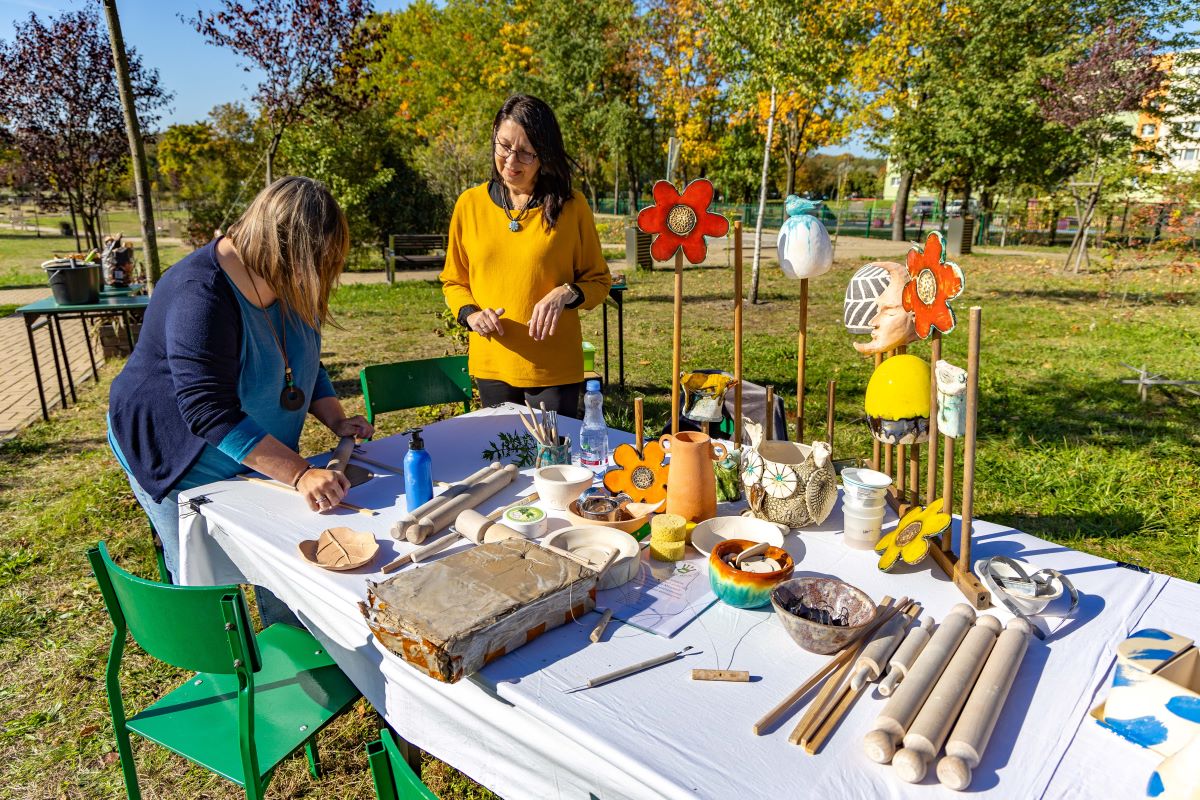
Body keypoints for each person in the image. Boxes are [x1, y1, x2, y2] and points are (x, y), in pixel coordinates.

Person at [107, 177, 372, 623]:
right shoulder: (200, 292)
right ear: (281, 249)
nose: (316, 277)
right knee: (204, 580)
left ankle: (286, 640)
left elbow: (303, 362)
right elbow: (207, 410)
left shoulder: (282, 277)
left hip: (253, 452)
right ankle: (217, 663)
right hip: (178, 454)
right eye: (312, 264)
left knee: (279, 557)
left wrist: (333, 418)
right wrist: (300, 472)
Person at [440, 93, 612, 418]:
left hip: (555, 370)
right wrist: (470, 314)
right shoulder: (469, 204)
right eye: (504, 146)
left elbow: (599, 281)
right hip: (491, 362)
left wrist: (566, 293)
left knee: (554, 464)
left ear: (544, 154)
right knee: (506, 463)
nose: (510, 161)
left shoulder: (572, 206)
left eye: (525, 153)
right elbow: (453, 280)